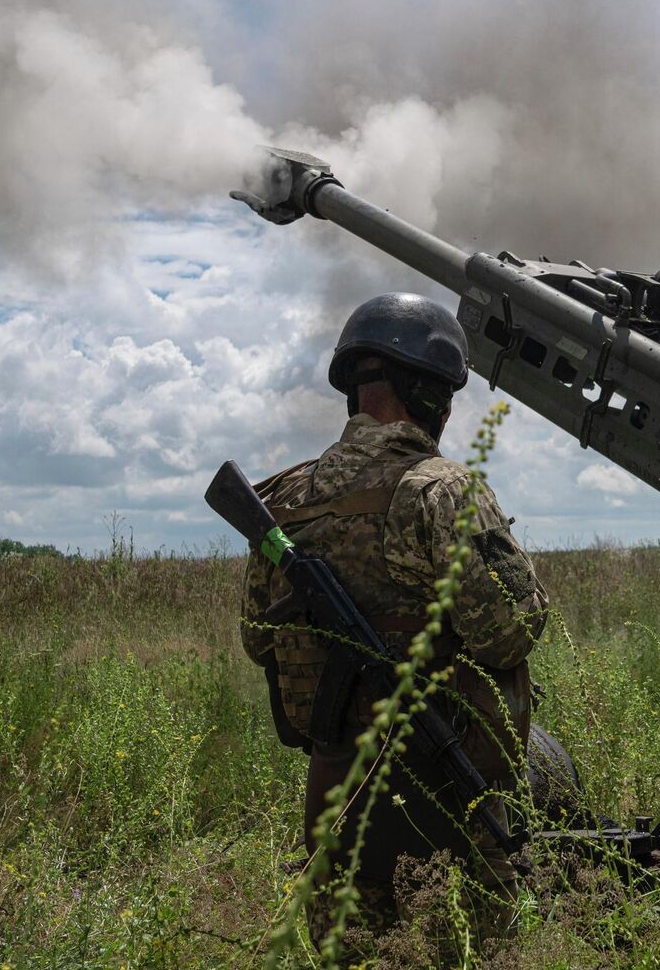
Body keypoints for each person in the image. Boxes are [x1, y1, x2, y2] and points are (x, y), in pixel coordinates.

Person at [237, 292, 550, 916]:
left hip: (335, 804)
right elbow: (508, 635)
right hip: (444, 799)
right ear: (430, 395)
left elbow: (257, 640)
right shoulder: (440, 490)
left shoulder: (284, 500)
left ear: (355, 392)